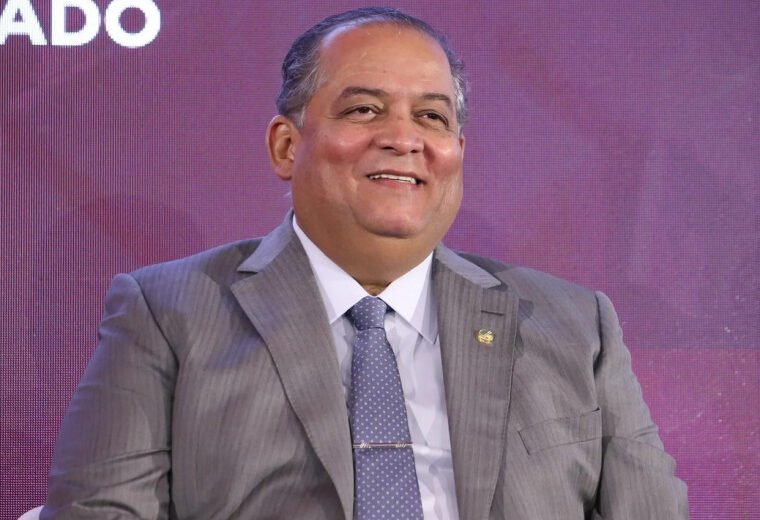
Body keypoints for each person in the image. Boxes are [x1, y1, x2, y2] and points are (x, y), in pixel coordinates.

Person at [43, 7, 689, 519]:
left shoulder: (576, 325)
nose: (404, 138)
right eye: (364, 109)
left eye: (431, 117)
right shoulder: (167, 313)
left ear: (458, 154)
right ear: (286, 146)